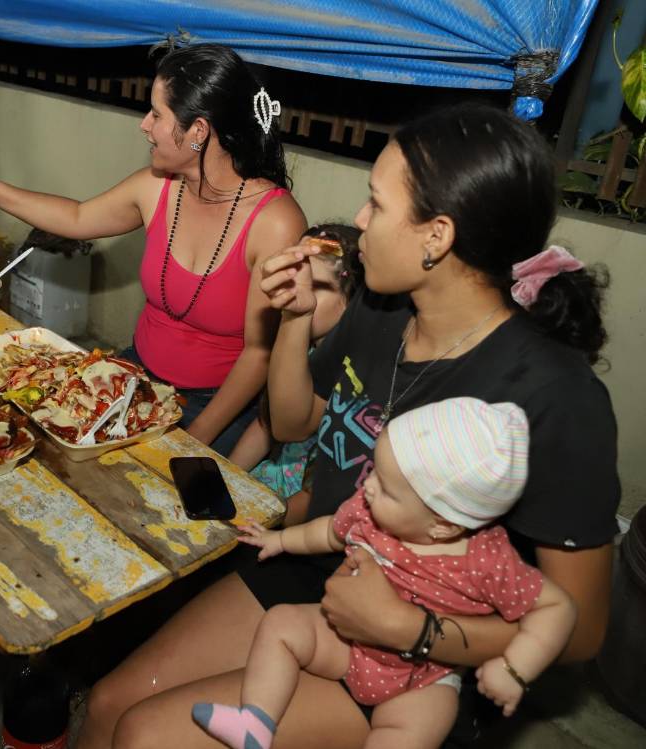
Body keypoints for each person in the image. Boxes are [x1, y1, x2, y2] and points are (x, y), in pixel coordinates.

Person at [75, 102, 619, 749]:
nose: (359, 224)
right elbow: (291, 419)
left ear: (436, 236)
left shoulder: (556, 396)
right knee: (109, 703)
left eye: (377, 205)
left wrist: (408, 627)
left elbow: (581, 630)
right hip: (322, 557)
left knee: (146, 735)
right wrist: (295, 319)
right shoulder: (382, 307)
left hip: (427, 659)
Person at [0, 44, 306, 454]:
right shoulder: (157, 186)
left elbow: (259, 352)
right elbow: (78, 217)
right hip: (134, 376)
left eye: (157, 114)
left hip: (217, 405)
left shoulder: (275, 222)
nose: (144, 125)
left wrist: (192, 441)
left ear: (198, 132)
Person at [194, 398, 577, 748]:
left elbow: (557, 608)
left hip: (424, 678)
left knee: (414, 731)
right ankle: (255, 721)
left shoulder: (488, 561)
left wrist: (517, 667)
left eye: (388, 488)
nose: (369, 487)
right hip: (348, 642)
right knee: (281, 625)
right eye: (376, 471)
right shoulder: (369, 508)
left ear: (443, 524)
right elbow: (328, 531)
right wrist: (280, 540)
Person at [230, 224, 361, 502]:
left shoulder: (355, 376)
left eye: (313, 286)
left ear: (351, 302)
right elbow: (267, 422)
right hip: (267, 481)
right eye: (291, 279)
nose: (294, 293)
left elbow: (320, 495)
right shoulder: (301, 349)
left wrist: (266, 522)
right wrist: (227, 477)